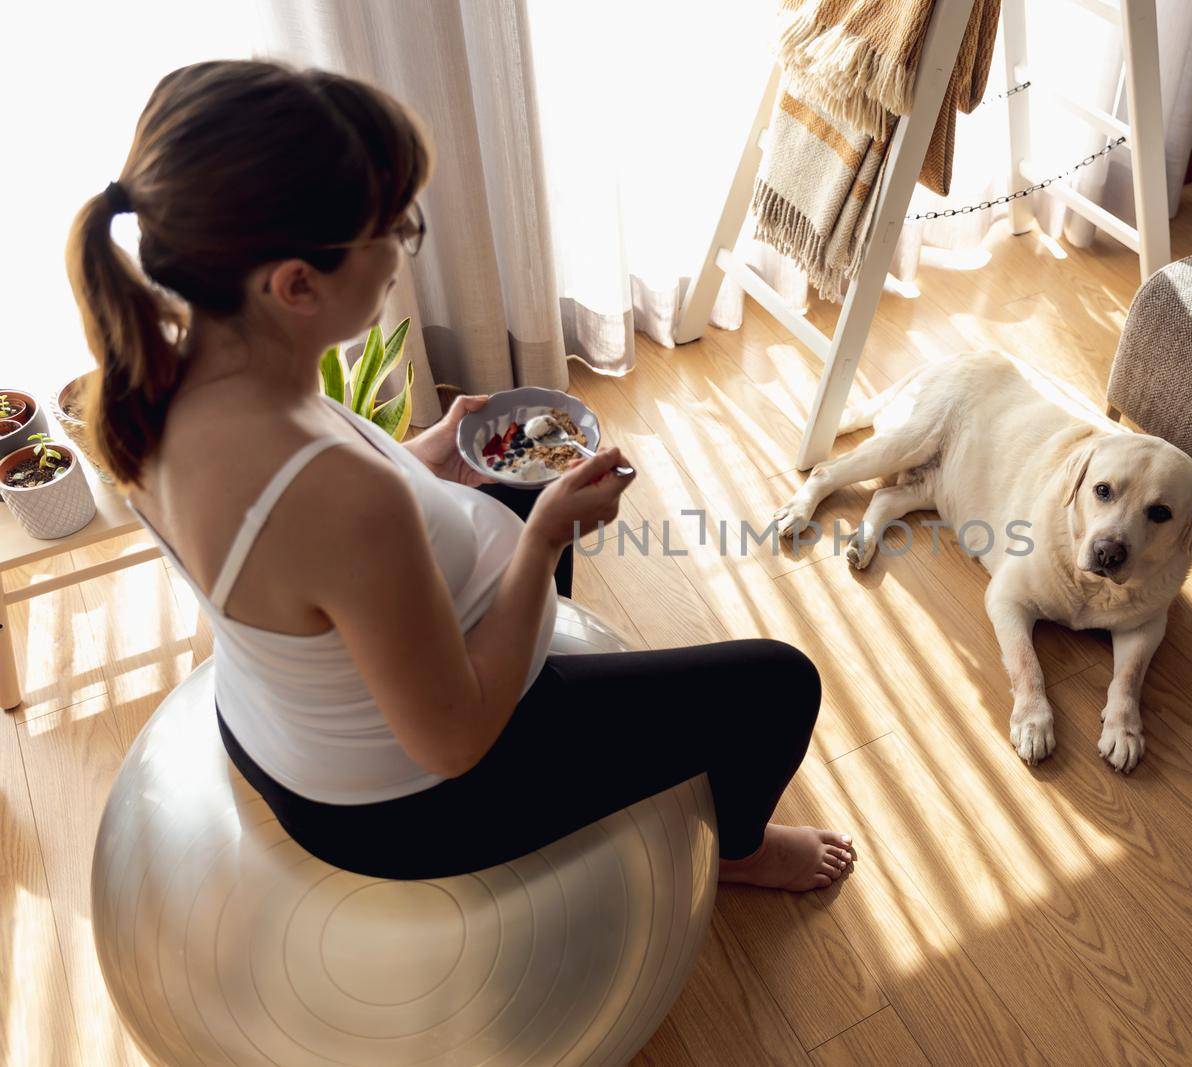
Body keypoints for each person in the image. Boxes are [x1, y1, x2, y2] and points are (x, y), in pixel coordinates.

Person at [66, 59, 854, 890]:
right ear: (296, 284)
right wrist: (544, 532)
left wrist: (426, 456)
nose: (404, 253)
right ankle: (742, 851)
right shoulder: (337, 497)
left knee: (514, 459)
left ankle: (553, 660)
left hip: (279, 723)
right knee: (777, 683)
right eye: (394, 231)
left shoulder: (152, 388)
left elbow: (287, 557)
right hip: (410, 801)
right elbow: (453, 741)